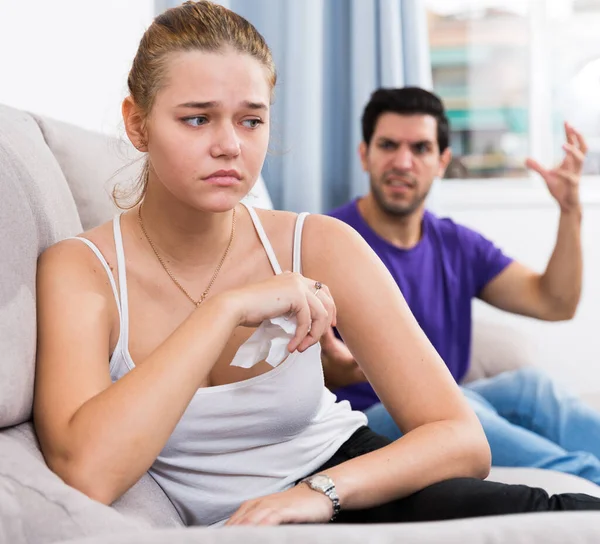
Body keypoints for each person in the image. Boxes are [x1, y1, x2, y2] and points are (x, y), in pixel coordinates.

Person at [33, 1, 600, 529]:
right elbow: (89, 472)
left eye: (251, 120)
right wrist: (226, 310)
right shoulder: (80, 271)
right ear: (137, 124)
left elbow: (462, 440)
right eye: (198, 119)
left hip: (349, 477)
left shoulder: (320, 243)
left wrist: (318, 493)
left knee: (552, 517)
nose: (230, 144)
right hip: (255, 518)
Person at [324, 86, 600, 485]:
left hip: (448, 406)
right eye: (388, 145)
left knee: (531, 387)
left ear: (441, 162)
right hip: (366, 420)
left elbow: (554, 302)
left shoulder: (456, 244)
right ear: (365, 154)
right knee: (464, 407)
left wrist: (570, 210)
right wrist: (335, 368)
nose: (403, 162)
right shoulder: (329, 240)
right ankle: (589, 477)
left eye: (420, 148)